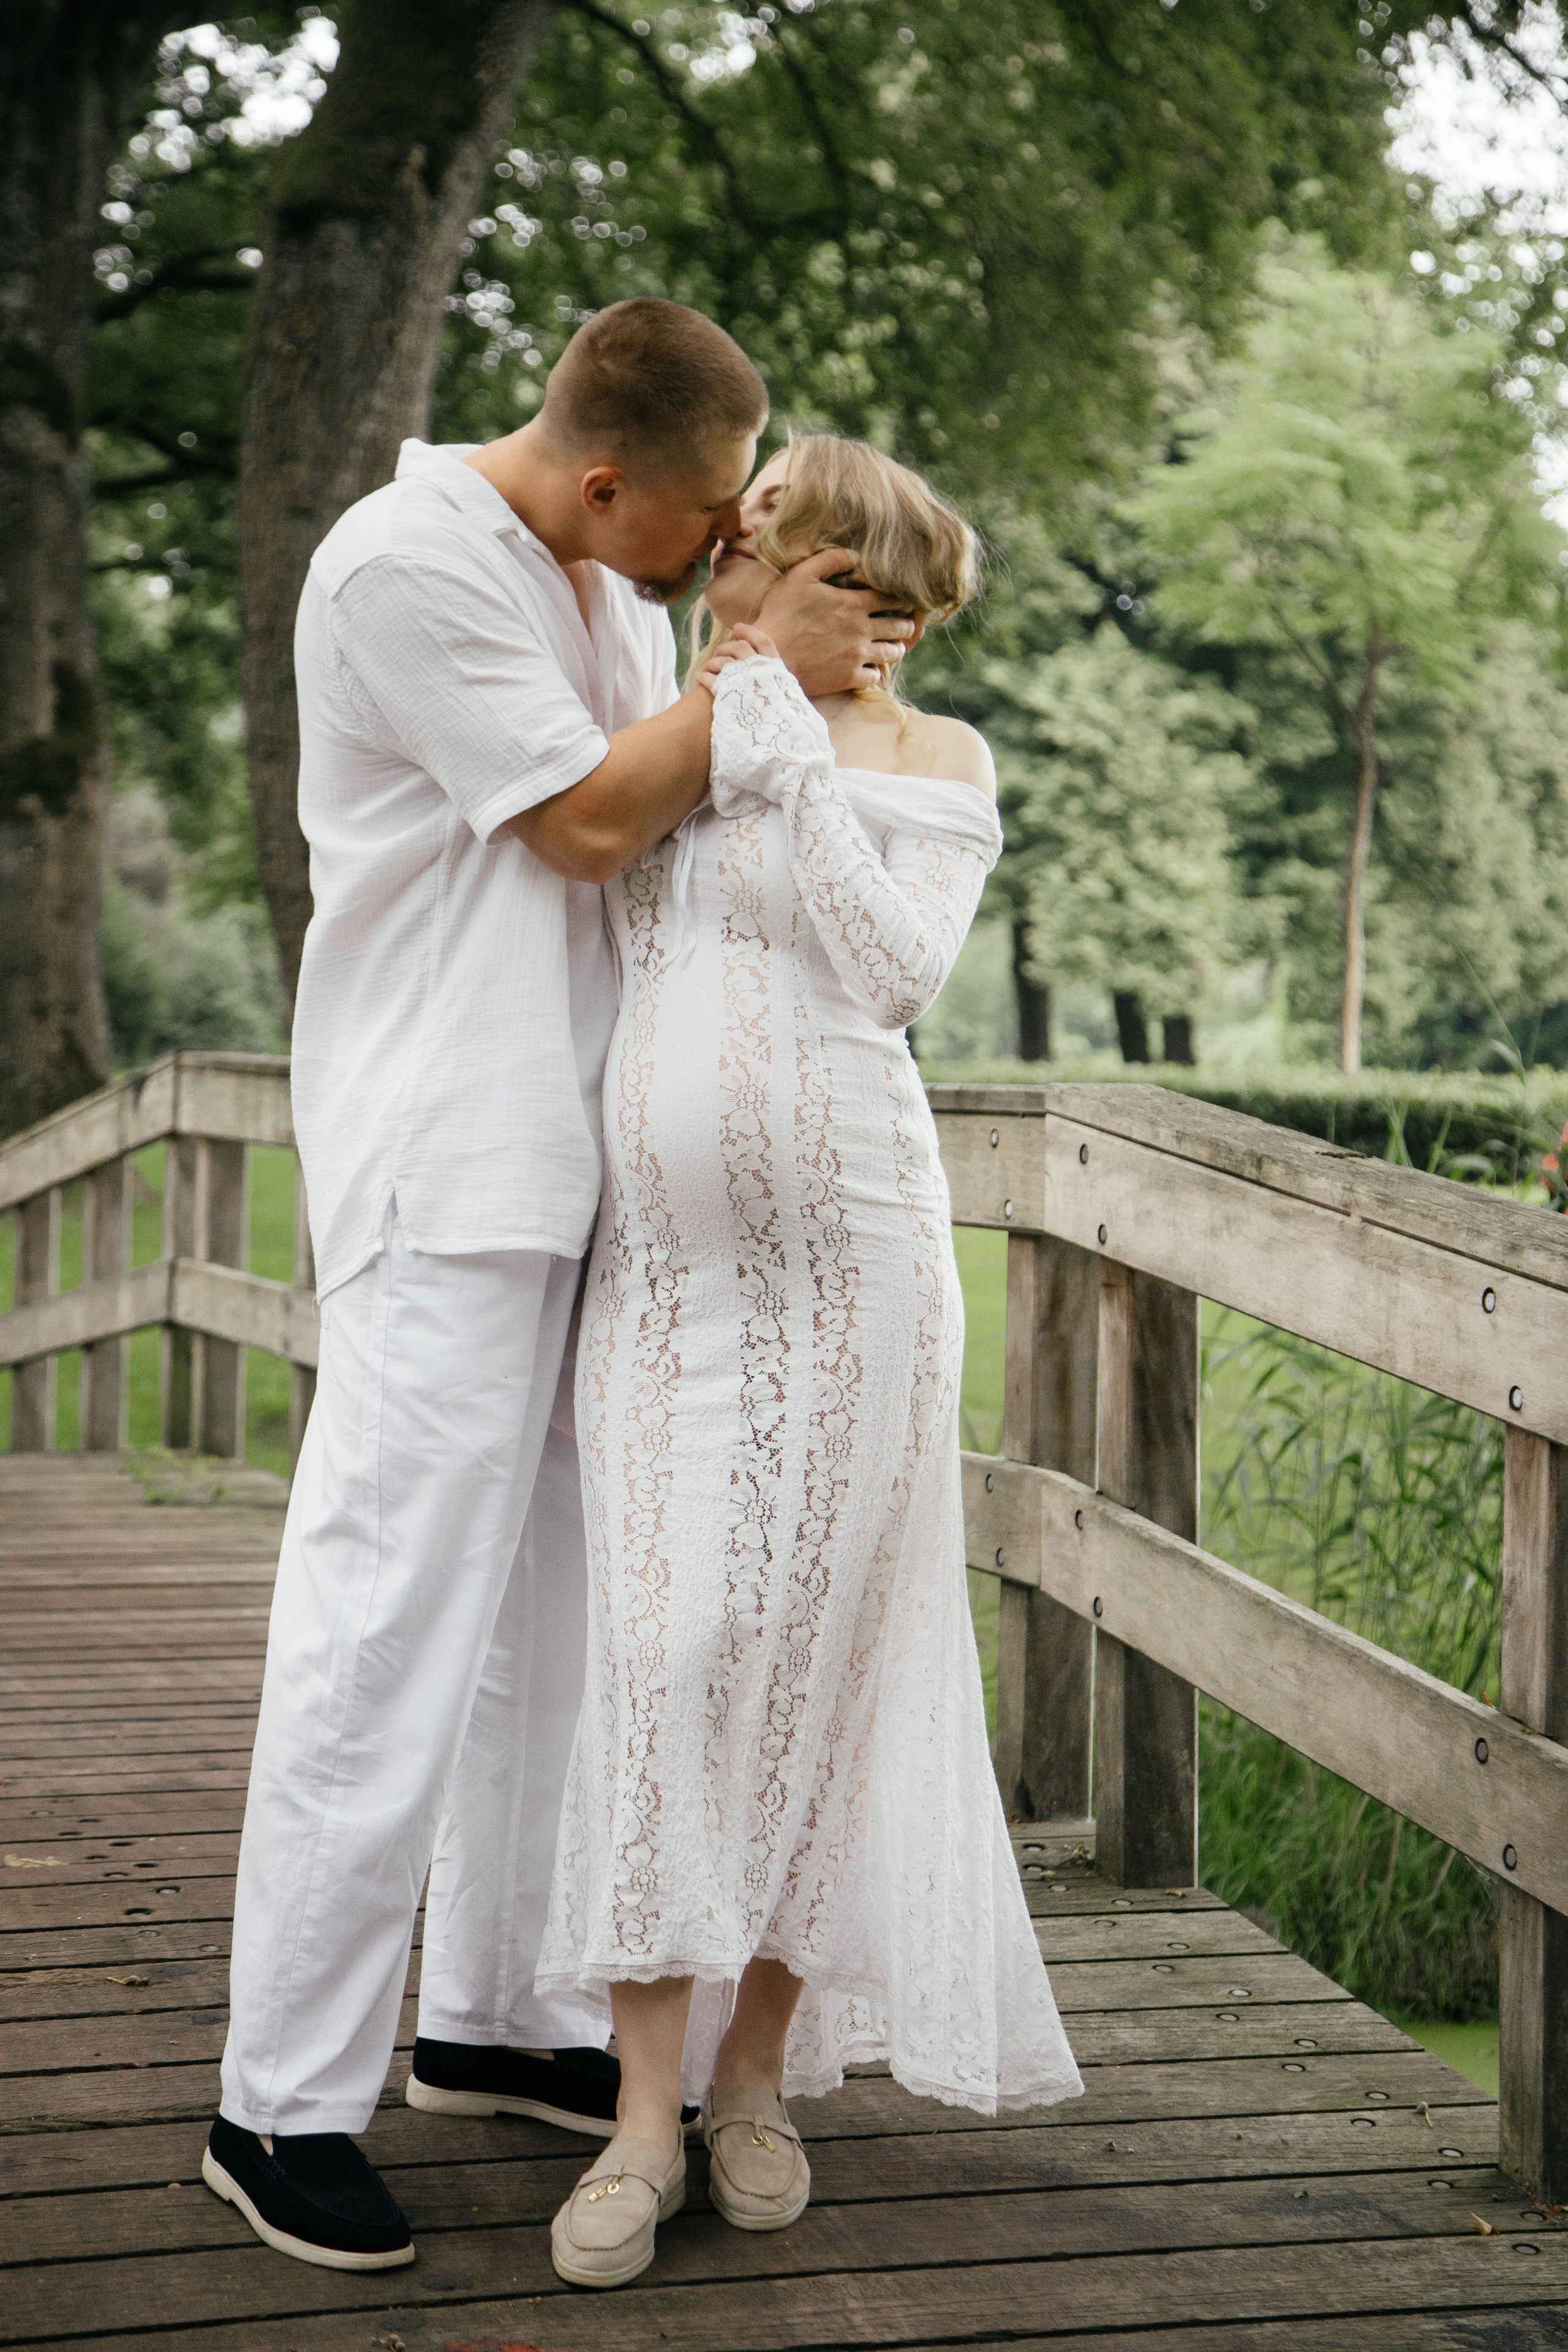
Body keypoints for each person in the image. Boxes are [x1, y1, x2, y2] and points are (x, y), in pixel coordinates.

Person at [203, 306, 912, 2273]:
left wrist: (754, 646)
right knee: (386, 1622)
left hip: (590, 1183)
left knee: (554, 1634)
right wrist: (767, 668)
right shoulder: (407, 560)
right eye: (700, 520)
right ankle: (277, 2101)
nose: (711, 558)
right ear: (609, 479)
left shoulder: (593, 578)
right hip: (448, 1162)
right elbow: (597, 820)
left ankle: (493, 2013)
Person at [538, 435, 1084, 2291]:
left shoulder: (933, 760)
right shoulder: (678, 712)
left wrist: (793, 754)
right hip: (672, 1289)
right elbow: (587, 856)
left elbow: (899, 967)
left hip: (862, 1265)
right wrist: (742, 715)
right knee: (671, 1653)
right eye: (837, 581)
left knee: (821, 1681)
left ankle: (755, 2086)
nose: (877, 630)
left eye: (896, 600)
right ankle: (634, 2118)